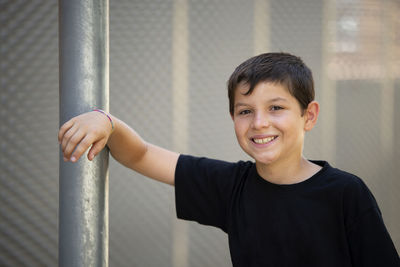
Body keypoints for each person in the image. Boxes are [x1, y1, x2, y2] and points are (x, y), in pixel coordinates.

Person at [58, 52, 400, 266]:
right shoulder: (231, 186)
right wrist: (107, 122)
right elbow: (142, 155)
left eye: (276, 108)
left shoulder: (346, 193)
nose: (259, 123)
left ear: (308, 116)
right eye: (245, 111)